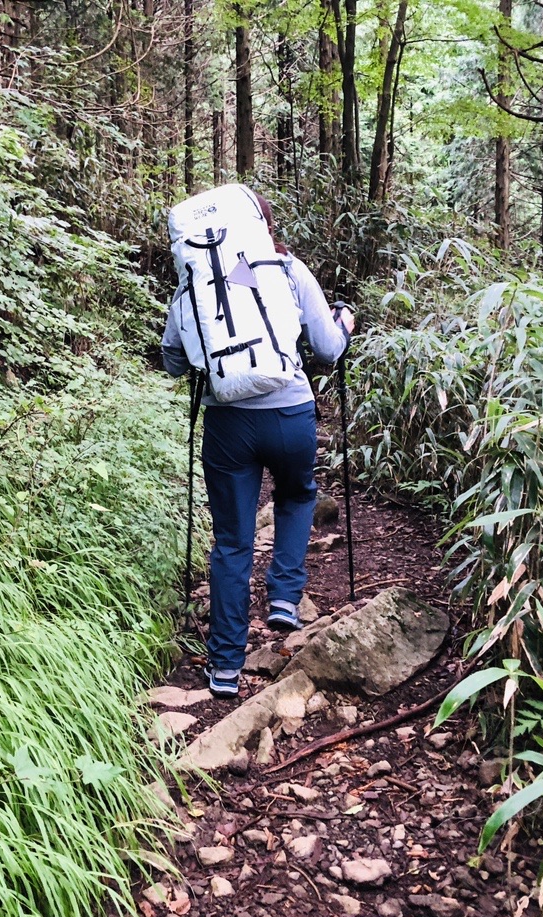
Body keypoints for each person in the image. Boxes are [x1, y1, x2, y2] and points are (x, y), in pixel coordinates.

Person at [162, 193, 356, 698]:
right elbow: (329, 349)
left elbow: (175, 362)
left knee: (231, 542)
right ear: (261, 225)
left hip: (227, 427)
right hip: (290, 413)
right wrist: (345, 322)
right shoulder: (287, 269)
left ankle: (224, 668)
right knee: (296, 495)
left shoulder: (193, 285)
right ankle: (285, 598)